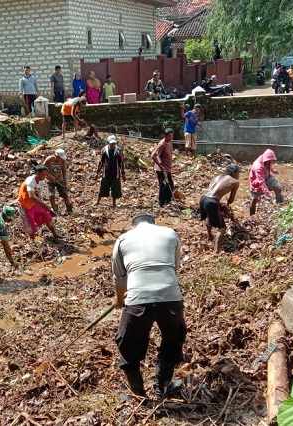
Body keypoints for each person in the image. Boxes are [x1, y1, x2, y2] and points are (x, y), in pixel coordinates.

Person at [112, 212, 185, 399]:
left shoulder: (122, 239)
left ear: (133, 225)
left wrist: (120, 300)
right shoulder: (170, 233)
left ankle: (138, 394)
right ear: (154, 222)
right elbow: (174, 267)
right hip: (170, 296)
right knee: (173, 339)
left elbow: (120, 279)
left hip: (138, 298)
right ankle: (163, 386)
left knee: (127, 344)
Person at [200, 164, 240, 253]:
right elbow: (231, 199)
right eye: (238, 173)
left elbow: (213, 192)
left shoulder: (218, 177)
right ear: (235, 172)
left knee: (209, 217)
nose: (239, 175)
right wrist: (228, 204)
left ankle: (210, 236)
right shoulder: (235, 182)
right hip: (212, 201)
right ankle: (216, 251)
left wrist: (219, 204)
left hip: (203, 198)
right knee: (222, 228)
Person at [17, 165, 60, 239]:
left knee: (47, 216)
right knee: (30, 224)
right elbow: (32, 196)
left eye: (46, 174)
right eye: (43, 174)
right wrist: (45, 205)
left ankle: (55, 235)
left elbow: (38, 193)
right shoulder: (30, 181)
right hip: (25, 204)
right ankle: (33, 240)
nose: (44, 176)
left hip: (34, 203)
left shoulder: (40, 180)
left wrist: (44, 206)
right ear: (37, 173)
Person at [249, 149, 283, 215]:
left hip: (267, 177)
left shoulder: (266, 158)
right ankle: (252, 215)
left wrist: (273, 171)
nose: (271, 162)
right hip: (257, 182)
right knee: (254, 199)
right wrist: (268, 193)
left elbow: (269, 165)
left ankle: (280, 203)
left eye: (271, 161)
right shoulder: (258, 166)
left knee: (278, 187)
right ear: (266, 159)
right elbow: (261, 182)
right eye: (270, 161)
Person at [96, 135, 126, 208]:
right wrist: (97, 172)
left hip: (115, 173)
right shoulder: (104, 150)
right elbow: (101, 162)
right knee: (103, 187)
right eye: (111, 144)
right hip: (106, 172)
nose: (113, 145)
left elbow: (121, 163)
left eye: (114, 144)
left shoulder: (118, 151)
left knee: (115, 188)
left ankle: (114, 204)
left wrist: (123, 174)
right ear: (108, 143)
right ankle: (98, 202)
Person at [43, 149, 73, 214]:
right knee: (51, 195)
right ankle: (55, 210)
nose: (61, 159)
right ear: (56, 156)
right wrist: (49, 176)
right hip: (50, 181)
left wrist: (65, 181)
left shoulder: (62, 161)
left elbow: (64, 171)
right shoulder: (49, 159)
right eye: (60, 158)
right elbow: (43, 169)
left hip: (59, 180)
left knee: (65, 194)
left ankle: (69, 210)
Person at [151, 129, 174, 206]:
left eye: (172, 135)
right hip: (161, 170)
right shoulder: (162, 144)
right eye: (170, 136)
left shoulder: (169, 143)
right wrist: (161, 166)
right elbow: (154, 155)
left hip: (167, 168)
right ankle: (161, 203)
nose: (171, 137)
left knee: (170, 184)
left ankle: (167, 201)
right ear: (165, 136)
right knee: (163, 185)